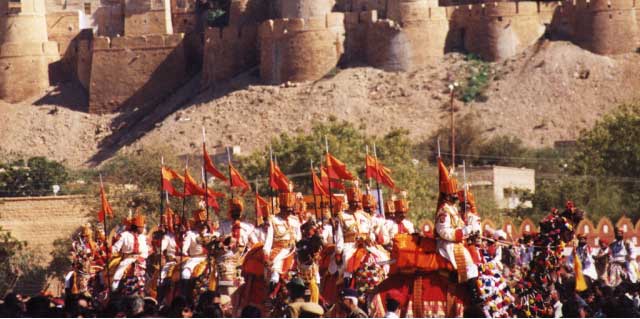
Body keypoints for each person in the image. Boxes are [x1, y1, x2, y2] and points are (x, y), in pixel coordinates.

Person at [434, 157, 478, 283]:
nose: (456, 196)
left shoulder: (452, 209)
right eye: (453, 194)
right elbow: (444, 232)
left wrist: (470, 231)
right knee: (469, 267)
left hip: (457, 243)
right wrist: (463, 232)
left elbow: (460, 225)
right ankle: (473, 297)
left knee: (474, 260)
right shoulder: (444, 211)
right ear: (448, 195)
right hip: (447, 245)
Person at [334, 182, 376, 287]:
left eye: (357, 202)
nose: (355, 204)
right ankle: (346, 288)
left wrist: (370, 239)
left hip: (366, 245)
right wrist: (339, 251)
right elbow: (339, 236)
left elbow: (371, 233)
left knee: (380, 258)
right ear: (349, 202)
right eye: (353, 202)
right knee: (348, 262)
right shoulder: (342, 216)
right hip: (350, 246)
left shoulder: (365, 216)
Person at [215, 198, 257, 295]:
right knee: (226, 273)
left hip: (244, 255)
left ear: (241, 212)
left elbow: (255, 242)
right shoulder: (223, 226)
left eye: (238, 211)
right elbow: (216, 237)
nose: (236, 213)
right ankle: (227, 295)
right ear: (230, 212)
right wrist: (223, 239)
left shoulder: (248, 227)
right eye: (234, 211)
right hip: (228, 255)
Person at [264, 185, 300, 294]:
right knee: (275, 270)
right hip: (278, 251)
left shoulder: (295, 220)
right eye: (286, 210)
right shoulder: (273, 220)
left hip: (293, 250)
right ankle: (272, 293)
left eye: (290, 210)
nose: (288, 213)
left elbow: (299, 238)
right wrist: (266, 255)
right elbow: (268, 240)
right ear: (281, 208)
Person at [111, 212, 149, 292]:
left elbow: (145, 251)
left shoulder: (143, 237)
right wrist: (109, 249)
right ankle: (114, 290)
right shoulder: (124, 235)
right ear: (136, 227)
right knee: (118, 274)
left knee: (147, 278)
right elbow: (116, 248)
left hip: (140, 261)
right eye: (141, 227)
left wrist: (141, 258)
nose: (143, 229)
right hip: (127, 260)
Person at [179, 208, 212, 300]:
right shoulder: (191, 234)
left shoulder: (213, 235)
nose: (201, 225)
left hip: (209, 260)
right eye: (199, 223)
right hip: (195, 259)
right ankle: (184, 298)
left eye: (203, 222)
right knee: (185, 274)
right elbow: (184, 249)